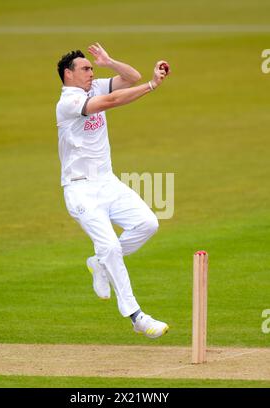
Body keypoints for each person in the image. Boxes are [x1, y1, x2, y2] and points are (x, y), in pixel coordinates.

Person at [56, 43, 170, 339]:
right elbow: (112, 101)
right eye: (85, 68)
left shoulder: (94, 86)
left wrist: (109, 62)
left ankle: (98, 264)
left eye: (92, 68)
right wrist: (152, 86)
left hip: (107, 182)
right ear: (68, 75)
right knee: (109, 246)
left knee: (148, 224)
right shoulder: (68, 102)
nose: (91, 72)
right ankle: (137, 316)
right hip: (80, 190)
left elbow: (130, 76)